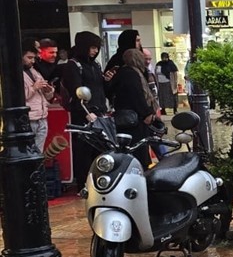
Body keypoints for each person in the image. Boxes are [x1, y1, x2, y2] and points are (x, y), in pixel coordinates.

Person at [61, 32, 110, 188]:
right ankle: (84, 183)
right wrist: (86, 112)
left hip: (99, 112)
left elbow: (100, 88)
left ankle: (98, 180)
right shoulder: (73, 65)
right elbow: (77, 91)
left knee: (100, 148)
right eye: (93, 47)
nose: (95, 51)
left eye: (97, 48)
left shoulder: (95, 65)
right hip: (84, 114)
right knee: (84, 150)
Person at [110, 48, 161, 167]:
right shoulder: (132, 74)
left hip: (125, 118)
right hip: (134, 119)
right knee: (139, 150)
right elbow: (137, 95)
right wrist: (147, 112)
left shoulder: (123, 72)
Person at [22, 43, 55, 154]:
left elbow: (47, 96)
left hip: (42, 116)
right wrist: (34, 88)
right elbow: (20, 96)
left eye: (34, 58)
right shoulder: (16, 74)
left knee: (39, 152)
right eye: (29, 58)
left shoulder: (34, 71)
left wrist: (48, 90)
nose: (32, 61)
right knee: (28, 152)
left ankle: (37, 170)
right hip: (29, 118)